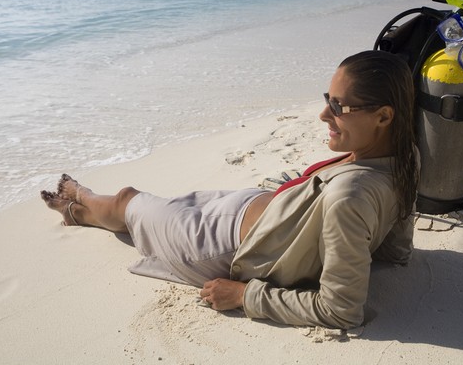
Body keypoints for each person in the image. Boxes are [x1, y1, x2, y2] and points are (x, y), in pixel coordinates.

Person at [40, 50, 418, 329]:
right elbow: (395, 247)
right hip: (254, 209)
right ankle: (82, 207)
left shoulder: (350, 197)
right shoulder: (405, 154)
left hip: (219, 247)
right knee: (162, 205)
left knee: (129, 203)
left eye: (339, 106)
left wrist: (244, 295)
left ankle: (82, 203)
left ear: (384, 116)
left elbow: (340, 310)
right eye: (326, 99)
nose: (323, 115)